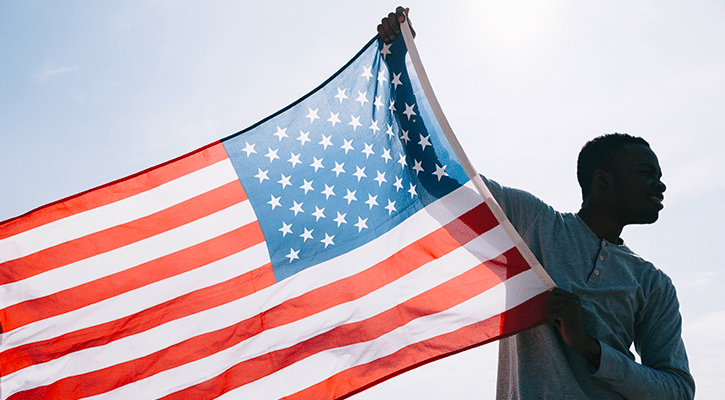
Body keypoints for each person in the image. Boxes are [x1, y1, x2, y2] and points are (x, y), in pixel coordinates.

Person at [378, 7, 695, 400]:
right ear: (604, 181)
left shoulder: (653, 285)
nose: (660, 184)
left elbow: (677, 391)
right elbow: (440, 180)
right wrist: (398, 67)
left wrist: (592, 349)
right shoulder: (531, 226)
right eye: (646, 173)